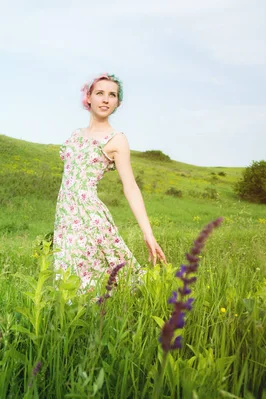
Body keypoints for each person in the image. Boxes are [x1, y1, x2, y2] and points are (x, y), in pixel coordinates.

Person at [52, 73, 167, 290]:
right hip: (65, 216)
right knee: (66, 272)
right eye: (100, 93)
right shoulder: (75, 135)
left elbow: (130, 186)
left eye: (112, 95)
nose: (105, 99)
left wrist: (147, 232)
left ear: (117, 103)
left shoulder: (117, 140)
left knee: (90, 278)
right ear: (88, 98)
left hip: (89, 217)